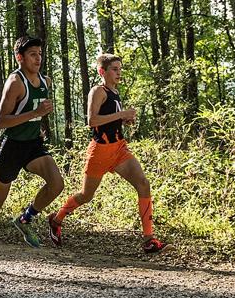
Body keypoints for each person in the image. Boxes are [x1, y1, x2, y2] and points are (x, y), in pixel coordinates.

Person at [48, 54, 173, 255]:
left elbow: (109, 119)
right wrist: (122, 114)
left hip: (119, 149)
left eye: (120, 69)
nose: (118, 72)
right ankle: (56, 219)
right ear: (102, 72)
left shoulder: (114, 92)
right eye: (114, 69)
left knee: (143, 183)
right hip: (100, 151)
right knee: (86, 195)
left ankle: (149, 240)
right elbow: (92, 120)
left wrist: (123, 121)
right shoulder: (98, 91)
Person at [0, 35, 65, 273]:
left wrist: (38, 125)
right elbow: (0, 122)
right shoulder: (16, 82)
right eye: (33, 54)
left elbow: (32, 112)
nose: (38, 59)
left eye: (40, 54)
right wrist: (37, 112)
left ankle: (25, 218)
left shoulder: (46, 81)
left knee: (56, 184)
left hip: (32, 144)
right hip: (11, 146)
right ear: (19, 57)